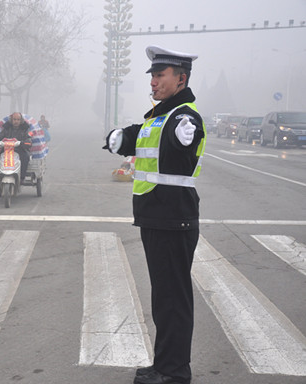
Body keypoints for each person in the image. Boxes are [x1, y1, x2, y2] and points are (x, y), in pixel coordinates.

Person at [103, 46, 206, 384]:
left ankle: (175, 372)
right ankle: (163, 364)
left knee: (173, 300)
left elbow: (183, 142)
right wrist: (118, 138)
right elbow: (135, 139)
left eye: (160, 76)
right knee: (164, 299)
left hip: (173, 218)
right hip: (156, 217)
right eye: (152, 76)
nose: (153, 82)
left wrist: (183, 137)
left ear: (181, 78)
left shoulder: (183, 118)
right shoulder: (158, 117)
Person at [0, 112, 32, 182]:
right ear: (11, 120)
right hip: (6, 150)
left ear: (21, 120)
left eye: (18, 119)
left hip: (20, 150)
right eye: (14, 119)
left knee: (25, 157)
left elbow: (28, 140)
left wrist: (23, 143)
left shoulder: (25, 129)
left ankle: (22, 178)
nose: (16, 121)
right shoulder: (6, 129)